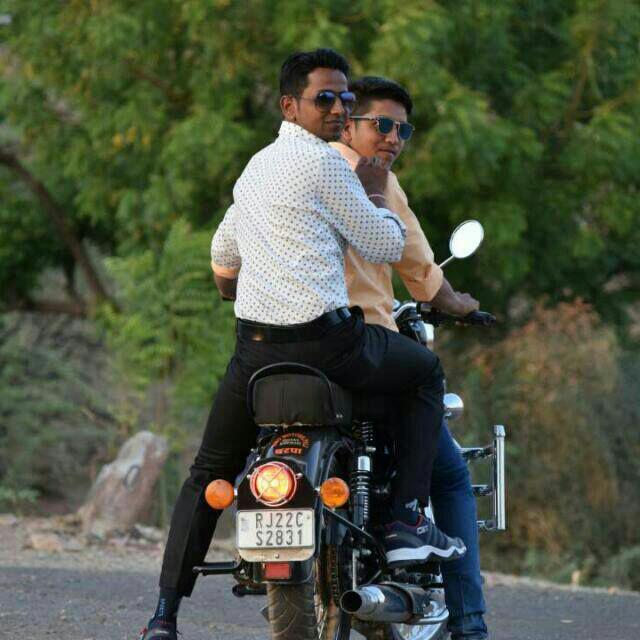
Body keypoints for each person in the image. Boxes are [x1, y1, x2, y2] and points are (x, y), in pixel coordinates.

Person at [140, 49, 465, 640]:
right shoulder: (326, 165)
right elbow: (384, 245)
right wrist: (373, 193)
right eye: (325, 98)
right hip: (329, 345)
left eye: (345, 98)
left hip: (256, 353)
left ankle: (164, 613)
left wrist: (247, 279)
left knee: (208, 471)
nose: (339, 108)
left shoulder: (255, 168)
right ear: (290, 105)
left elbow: (222, 260)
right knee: (423, 372)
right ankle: (406, 523)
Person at [331, 76, 487, 639]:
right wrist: (462, 305)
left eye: (403, 130)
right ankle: (469, 624)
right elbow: (422, 273)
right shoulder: (375, 180)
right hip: (368, 345)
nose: (393, 139)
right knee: (451, 475)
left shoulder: (293, 171)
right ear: (347, 124)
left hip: (289, 346)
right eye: (382, 125)